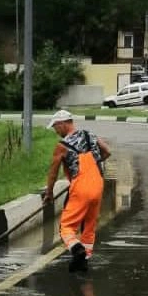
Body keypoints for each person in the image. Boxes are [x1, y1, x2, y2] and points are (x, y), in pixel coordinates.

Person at [43, 109, 111, 273]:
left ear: (63, 123)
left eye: (55, 127)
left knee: (66, 227)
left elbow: (53, 172)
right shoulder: (90, 135)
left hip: (81, 187)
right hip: (98, 184)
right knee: (89, 226)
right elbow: (107, 151)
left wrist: (49, 193)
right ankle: (84, 262)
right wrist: (95, 163)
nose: (56, 131)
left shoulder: (62, 146)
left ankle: (77, 249)